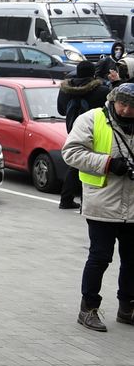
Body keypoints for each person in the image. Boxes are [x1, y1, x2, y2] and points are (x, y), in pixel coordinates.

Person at [59, 82, 134, 332]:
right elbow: (71, 152)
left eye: (131, 106)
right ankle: (88, 308)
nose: (125, 110)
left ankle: (127, 308)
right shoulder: (92, 119)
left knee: (132, 260)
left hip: (133, 207)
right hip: (102, 203)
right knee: (100, 258)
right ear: (112, 100)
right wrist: (108, 164)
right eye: (121, 104)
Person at [57, 61, 108, 211]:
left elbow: (61, 110)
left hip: (72, 129)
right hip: (94, 129)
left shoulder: (65, 90)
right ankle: (85, 202)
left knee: (74, 163)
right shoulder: (101, 90)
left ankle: (66, 199)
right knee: (90, 165)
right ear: (93, 74)